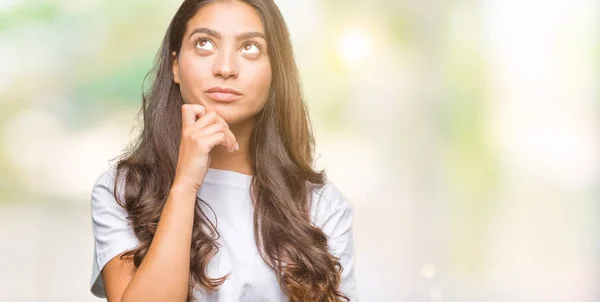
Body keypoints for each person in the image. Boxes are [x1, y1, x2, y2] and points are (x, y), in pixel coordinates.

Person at [89, 0, 357, 301]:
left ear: (276, 71)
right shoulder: (124, 191)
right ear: (175, 65)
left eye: (250, 48)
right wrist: (185, 184)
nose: (226, 68)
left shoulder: (320, 205)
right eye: (204, 43)